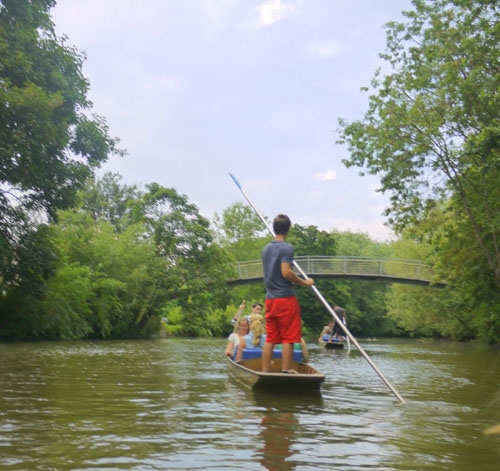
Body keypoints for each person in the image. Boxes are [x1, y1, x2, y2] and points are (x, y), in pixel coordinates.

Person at [261, 214, 314, 373]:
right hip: (285, 298)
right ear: (288, 229)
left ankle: (264, 372)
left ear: (274, 227)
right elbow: (286, 272)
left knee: (270, 338)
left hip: (270, 300)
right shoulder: (287, 248)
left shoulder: (265, 249)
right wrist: (305, 282)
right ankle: (285, 371)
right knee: (288, 338)